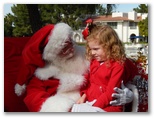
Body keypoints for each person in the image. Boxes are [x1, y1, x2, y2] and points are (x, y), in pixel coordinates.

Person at [14, 22, 134, 112]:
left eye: (70, 43)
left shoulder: (87, 55)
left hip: (98, 103)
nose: (71, 49)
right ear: (53, 53)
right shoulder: (43, 73)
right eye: (64, 48)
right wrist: (72, 109)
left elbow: (124, 65)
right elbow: (34, 99)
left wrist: (131, 93)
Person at [71, 25, 139, 112]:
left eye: (96, 49)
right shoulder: (94, 62)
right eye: (91, 49)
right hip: (92, 102)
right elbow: (91, 83)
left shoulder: (117, 65)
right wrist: (84, 96)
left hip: (109, 106)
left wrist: (93, 106)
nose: (92, 52)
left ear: (109, 46)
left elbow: (111, 92)